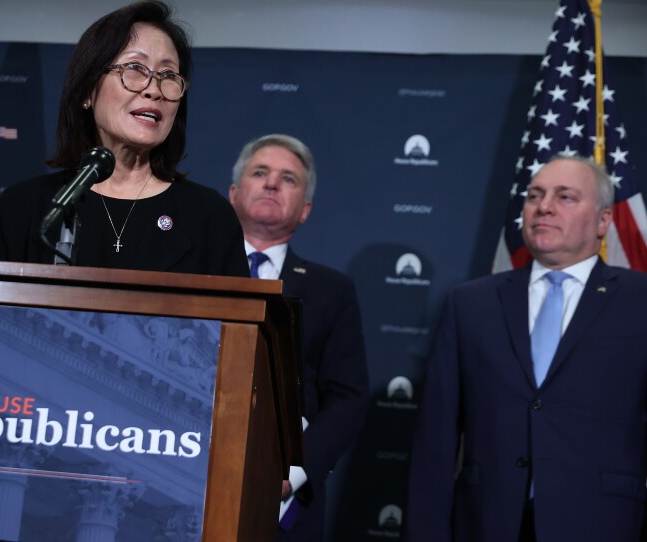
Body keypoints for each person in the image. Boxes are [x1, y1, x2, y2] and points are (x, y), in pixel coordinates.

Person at [407, 155, 647, 542]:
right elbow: (435, 442)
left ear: (604, 221)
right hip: (488, 523)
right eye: (534, 195)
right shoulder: (469, 304)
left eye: (565, 197)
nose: (544, 207)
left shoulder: (640, 302)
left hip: (603, 524)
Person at [0, 1, 248, 277]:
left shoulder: (210, 217)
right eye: (135, 67)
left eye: (168, 75)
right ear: (87, 90)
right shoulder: (26, 208)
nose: (154, 90)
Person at [228, 134, 369, 541]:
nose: (272, 183)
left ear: (305, 210)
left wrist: (289, 475)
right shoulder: (194, 271)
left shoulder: (332, 291)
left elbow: (348, 398)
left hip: (284, 504)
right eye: (261, 173)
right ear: (234, 193)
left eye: (288, 179)